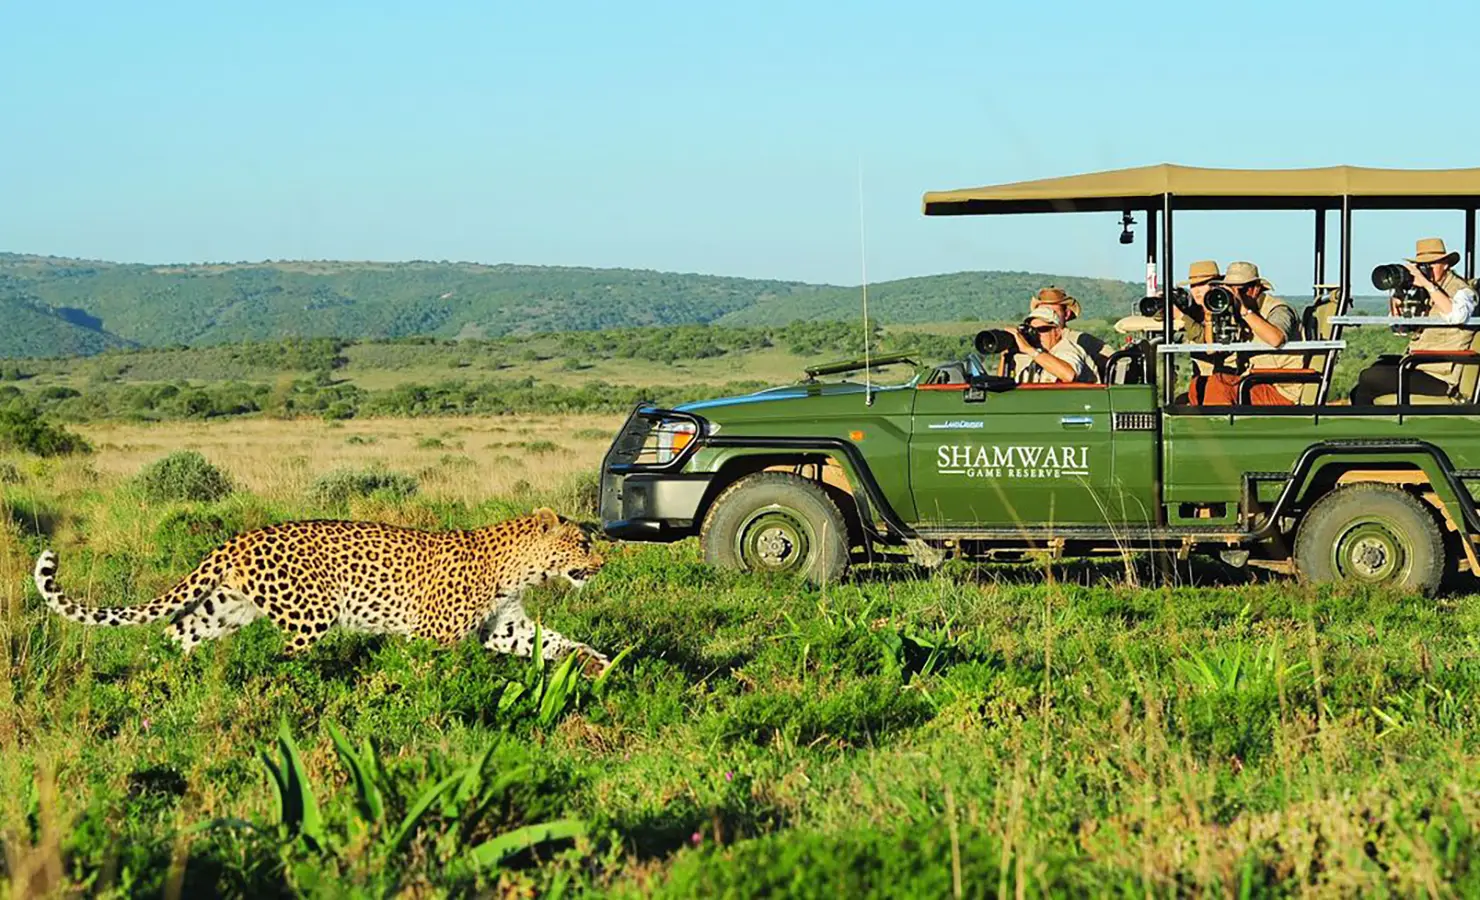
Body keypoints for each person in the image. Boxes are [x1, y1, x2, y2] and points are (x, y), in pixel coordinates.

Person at [1349, 237, 1478, 405]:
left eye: (1431, 264)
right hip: (1418, 366)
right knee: (1365, 382)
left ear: (1446, 264)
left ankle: (1369, 427)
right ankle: (1369, 428)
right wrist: (1397, 299)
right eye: (1422, 266)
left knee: (1369, 377)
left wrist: (1427, 285)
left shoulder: (1463, 292)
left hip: (1441, 375)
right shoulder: (1421, 293)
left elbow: (1457, 315)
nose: (1427, 270)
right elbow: (1400, 329)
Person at [1186, 261, 1303, 406]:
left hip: (1280, 388)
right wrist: (1209, 317)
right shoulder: (1234, 312)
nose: (1235, 295)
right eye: (1229, 289)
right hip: (1253, 381)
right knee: (1199, 385)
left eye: (1240, 290)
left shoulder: (1278, 309)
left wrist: (1244, 310)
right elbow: (1211, 349)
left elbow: (1276, 339)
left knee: (1219, 385)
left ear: (1255, 289)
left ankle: (1216, 426)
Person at [1010, 305, 1099, 384]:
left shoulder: (1067, 349)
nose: (1036, 335)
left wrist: (1029, 350)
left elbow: (1068, 376)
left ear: (1057, 332)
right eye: (1032, 331)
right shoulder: (1037, 359)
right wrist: (1006, 354)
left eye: (1042, 329)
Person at [1031, 286, 1111, 372]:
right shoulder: (1028, 340)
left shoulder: (1083, 340)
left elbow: (1114, 361)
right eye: (1041, 312)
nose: (1046, 316)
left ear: (1067, 314)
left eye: (1053, 312)